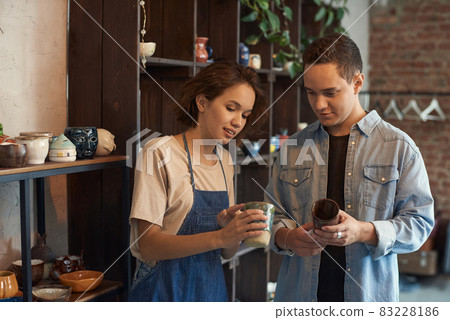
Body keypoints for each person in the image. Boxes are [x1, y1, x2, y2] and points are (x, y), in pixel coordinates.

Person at [265, 33, 434, 302]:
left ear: (357, 83)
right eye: (311, 92)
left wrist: (364, 231)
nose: (319, 104)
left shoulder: (399, 147)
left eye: (330, 93)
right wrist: (287, 238)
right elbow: (271, 217)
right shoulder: (294, 147)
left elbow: (420, 224)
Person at [128, 60, 269, 302]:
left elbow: (226, 253)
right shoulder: (159, 153)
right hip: (163, 293)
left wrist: (232, 231)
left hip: (210, 293)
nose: (238, 122)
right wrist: (219, 237)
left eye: (245, 115)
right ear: (202, 102)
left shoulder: (225, 161)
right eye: (231, 108)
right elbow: (148, 245)